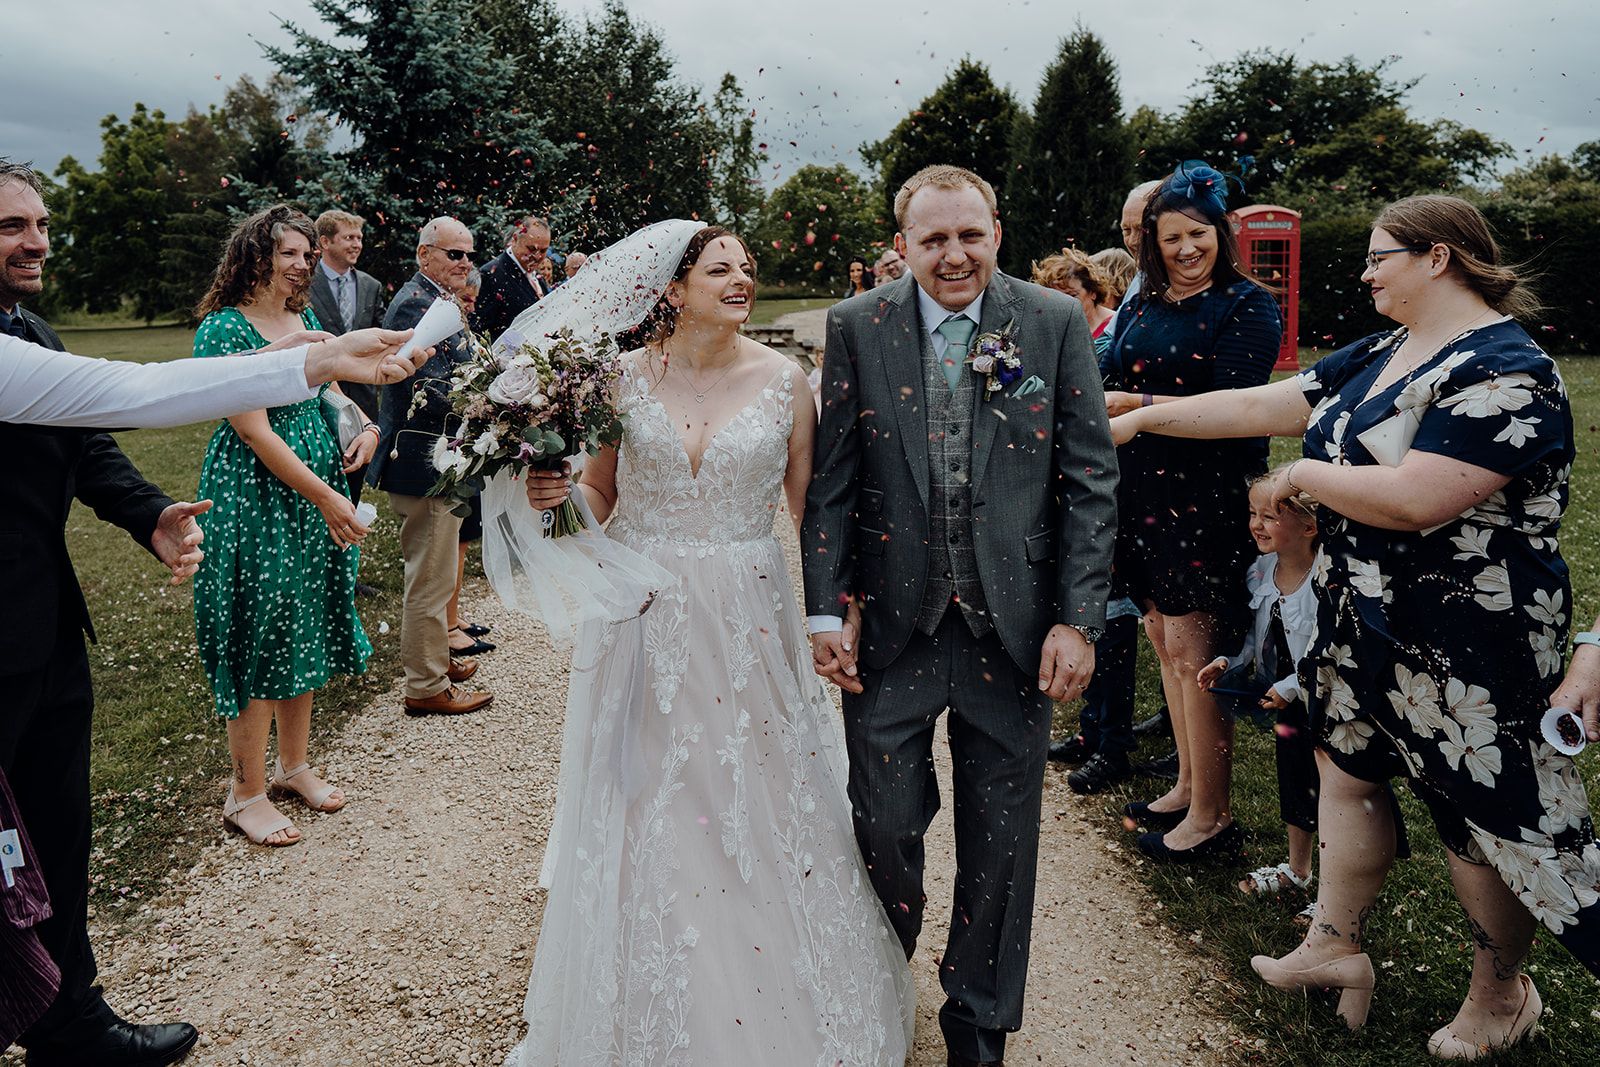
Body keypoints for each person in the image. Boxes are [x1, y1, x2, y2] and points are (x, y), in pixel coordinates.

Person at [1110, 194, 1597, 1056]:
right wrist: (1144, 413)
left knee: (1478, 820)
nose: (1366, 271)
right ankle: (1333, 944)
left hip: (1466, 636)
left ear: (1438, 257)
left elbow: (1415, 498)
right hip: (1359, 615)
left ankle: (1502, 994)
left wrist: (1302, 473)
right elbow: (1260, 405)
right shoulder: (1383, 350)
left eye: (1380, 256)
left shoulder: (1504, 367)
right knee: (1347, 770)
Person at [511, 221, 914, 1064]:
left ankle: (779, 977)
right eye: (719, 268)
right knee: (648, 792)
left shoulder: (787, 382)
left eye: (747, 268)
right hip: (642, 608)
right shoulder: (618, 379)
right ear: (671, 286)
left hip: (747, 614)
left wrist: (839, 610)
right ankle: (646, 979)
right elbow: (597, 491)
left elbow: (812, 514)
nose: (740, 279)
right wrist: (555, 495)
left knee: (753, 783)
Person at [803, 164, 1119, 1067]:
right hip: (893, 633)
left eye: (969, 235)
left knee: (1001, 845)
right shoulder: (857, 325)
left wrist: (1078, 620)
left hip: (1014, 631)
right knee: (886, 822)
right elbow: (833, 483)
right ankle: (881, 977)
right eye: (933, 238)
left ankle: (978, 1023)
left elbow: (1090, 480)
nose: (953, 255)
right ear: (902, 244)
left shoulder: (1052, 323)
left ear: (996, 234)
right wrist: (828, 608)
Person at [0, 158, 201, 1065]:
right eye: (11, 226)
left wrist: (149, 513)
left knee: (57, 835)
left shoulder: (32, 331)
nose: (36, 240)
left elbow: (87, 445)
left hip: (43, 637)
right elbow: (139, 393)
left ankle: (69, 1022)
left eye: (39, 223)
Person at [1103, 161, 1283, 862]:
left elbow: (1234, 410)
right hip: (1140, 490)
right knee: (1166, 643)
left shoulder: (1246, 305)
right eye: (1169, 236)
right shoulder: (1145, 300)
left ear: (1221, 234)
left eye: (1196, 234)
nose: (1184, 248)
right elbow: (1114, 367)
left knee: (1198, 651)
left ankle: (1211, 815)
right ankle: (1184, 781)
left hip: (1204, 497)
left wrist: (1138, 411)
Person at [190, 206, 376, 847]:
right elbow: (255, 430)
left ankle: (293, 765)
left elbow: (330, 389)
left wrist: (366, 424)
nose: (303, 265)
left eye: (305, 254)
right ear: (255, 258)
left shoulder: (305, 319)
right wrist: (330, 498)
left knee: (307, 619)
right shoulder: (223, 329)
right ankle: (245, 793)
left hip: (312, 488)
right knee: (259, 630)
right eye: (290, 254)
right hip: (255, 495)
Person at [368, 217, 494, 717]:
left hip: (440, 458)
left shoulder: (438, 300)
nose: (466, 263)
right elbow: (434, 390)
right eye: (453, 254)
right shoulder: (419, 304)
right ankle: (425, 686)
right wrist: (496, 400)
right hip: (423, 460)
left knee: (439, 573)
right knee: (430, 578)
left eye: (469, 254)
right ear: (425, 256)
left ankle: (437, 658)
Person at [1195, 469, 1320, 900]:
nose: (1255, 525)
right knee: (1295, 782)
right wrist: (1230, 660)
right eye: (1252, 513)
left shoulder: (1325, 581)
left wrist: (1291, 684)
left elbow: (1325, 650)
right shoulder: (1262, 570)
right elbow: (1258, 633)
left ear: (1309, 526)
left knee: (1337, 793)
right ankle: (1298, 870)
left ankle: (1338, 893)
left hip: (1325, 703)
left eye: (1269, 516)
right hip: (1285, 706)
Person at [308, 209, 387, 511]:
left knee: (353, 473)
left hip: (363, 399)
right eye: (348, 238)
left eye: (359, 238)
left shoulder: (370, 285)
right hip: (320, 394)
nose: (356, 244)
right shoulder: (305, 281)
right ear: (325, 242)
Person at [472, 215, 551, 342]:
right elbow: (479, 331)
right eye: (532, 249)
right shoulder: (491, 275)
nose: (537, 256)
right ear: (515, 240)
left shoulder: (537, 278)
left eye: (543, 251)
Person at [1032, 249, 1116, 352]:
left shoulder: (1116, 327)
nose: (1064, 305)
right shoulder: (1050, 331)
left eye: (1072, 296)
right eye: (1056, 298)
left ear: (1093, 292)